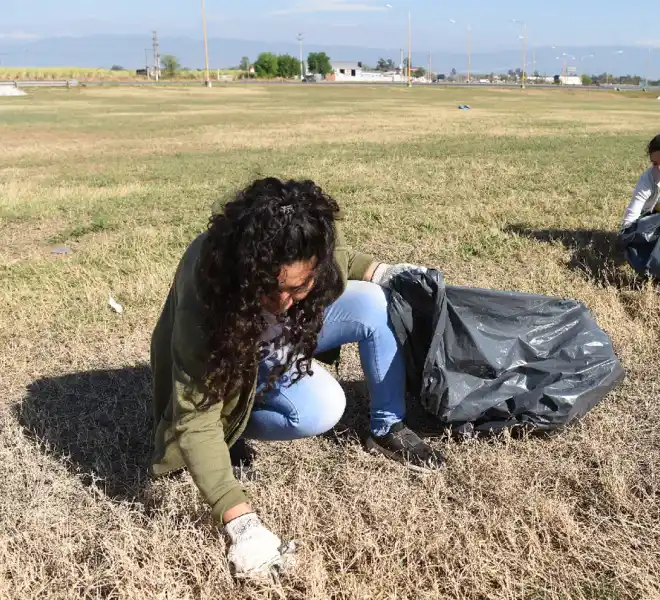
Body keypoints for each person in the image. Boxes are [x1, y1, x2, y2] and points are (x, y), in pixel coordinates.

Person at [150, 177, 444, 579]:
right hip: (236, 357)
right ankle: (232, 434)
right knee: (323, 407)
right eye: (271, 290)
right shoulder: (208, 289)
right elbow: (195, 415)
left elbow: (341, 259)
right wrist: (240, 523)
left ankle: (387, 427)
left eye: (299, 288)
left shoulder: (306, 249)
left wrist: (385, 271)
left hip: (273, 345)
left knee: (375, 300)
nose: (284, 303)